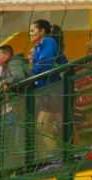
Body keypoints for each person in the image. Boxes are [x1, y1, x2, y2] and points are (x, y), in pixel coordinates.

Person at [28, 19, 68, 164]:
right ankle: (55, 157)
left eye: (32, 31)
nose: (30, 34)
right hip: (46, 90)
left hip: (58, 87)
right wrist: (37, 67)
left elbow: (46, 65)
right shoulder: (37, 47)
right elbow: (35, 69)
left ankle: (77, 154)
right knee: (42, 127)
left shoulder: (48, 41)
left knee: (66, 124)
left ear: (42, 31)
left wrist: (37, 67)